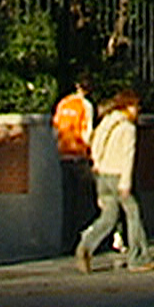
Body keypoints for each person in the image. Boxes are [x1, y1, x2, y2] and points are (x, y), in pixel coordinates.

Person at [75, 89, 153, 274]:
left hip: (103, 175)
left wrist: (98, 164)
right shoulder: (128, 128)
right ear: (128, 106)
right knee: (133, 215)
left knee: (108, 217)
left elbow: (95, 143)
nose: (137, 111)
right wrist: (125, 183)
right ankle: (138, 258)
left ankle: (86, 245)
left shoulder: (106, 122)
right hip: (119, 175)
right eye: (135, 106)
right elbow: (128, 156)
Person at [52, 76, 96, 252]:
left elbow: (55, 130)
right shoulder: (85, 106)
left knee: (68, 201)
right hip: (80, 156)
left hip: (64, 155)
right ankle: (82, 240)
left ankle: (66, 241)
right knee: (84, 202)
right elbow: (87, 132)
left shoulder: (63, 104)